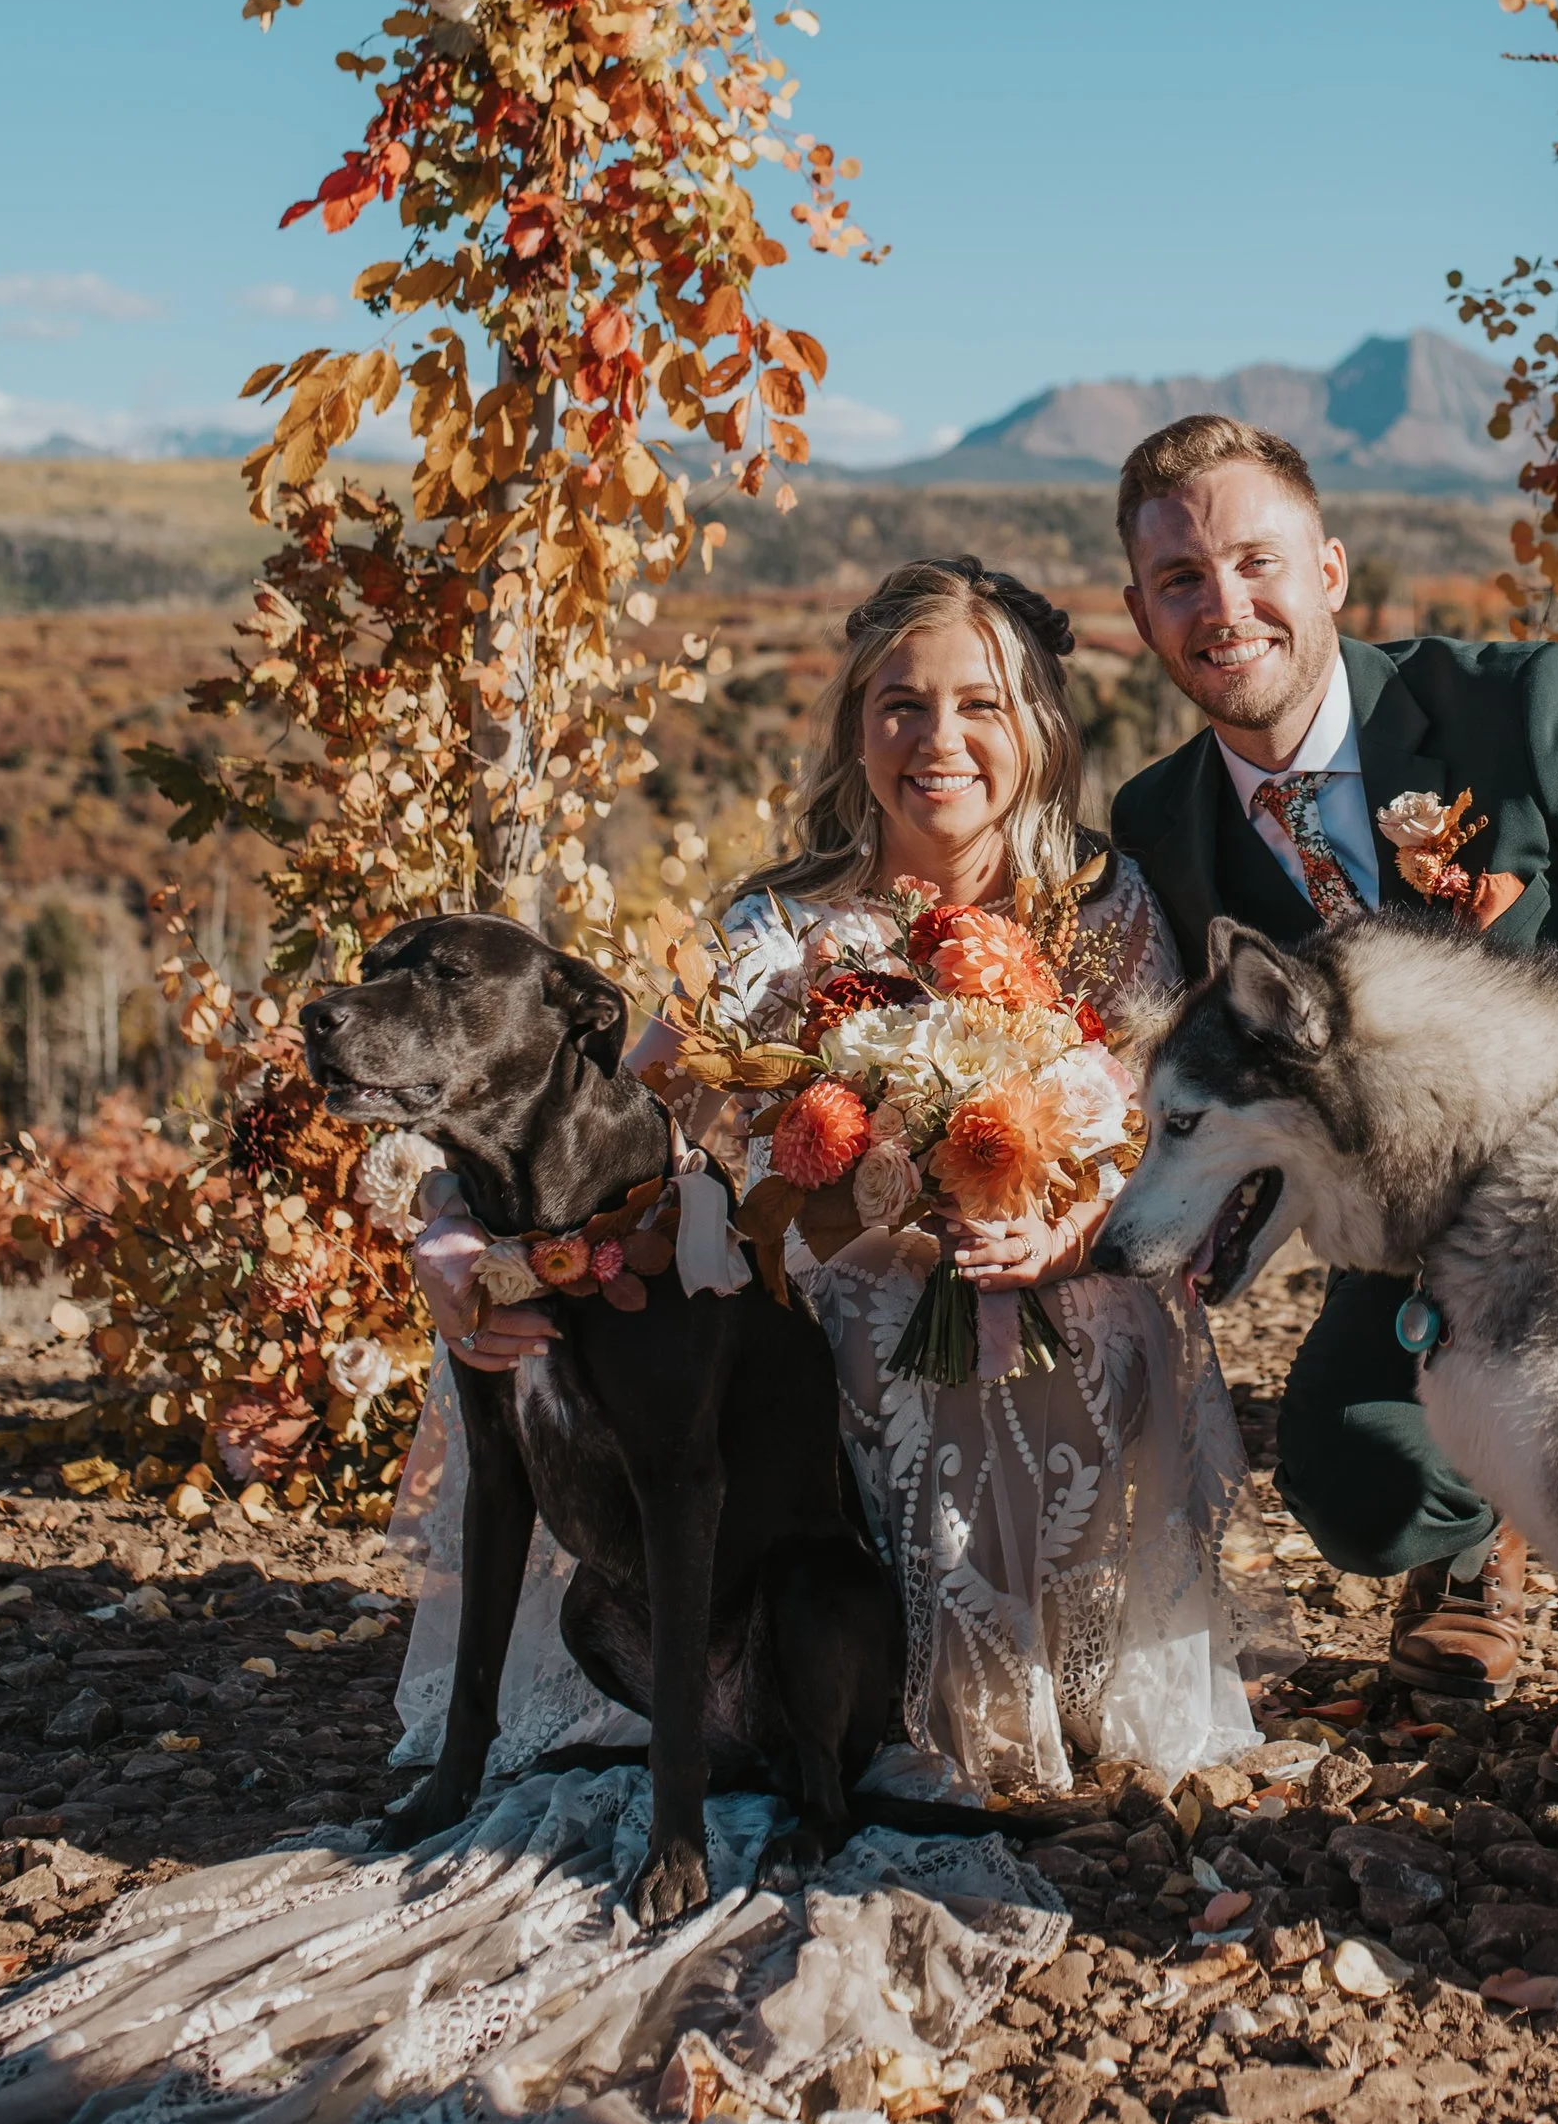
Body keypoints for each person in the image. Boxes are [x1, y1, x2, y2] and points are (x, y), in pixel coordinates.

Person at [394, 556, 1259, 1802]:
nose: (938, 739)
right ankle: (785, 1675)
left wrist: (1065, 1231)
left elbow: (1160, 1139)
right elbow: (607, 1114)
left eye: (981, 703)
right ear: (857, 727)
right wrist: (450, 1215)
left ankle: (987, 1685)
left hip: (1044, 1283)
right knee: (785, 1305)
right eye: (900, 702)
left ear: (1040, 726)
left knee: (973, 1324)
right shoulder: (774, 919)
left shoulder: (1098, 903)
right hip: (808, 1296)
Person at [1108, 412, 1558, 1780]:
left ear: (1328, 567)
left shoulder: (1519, 710)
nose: (1224, 606)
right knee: (1357, 1485)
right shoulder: (1161, 827)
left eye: (1254, 560)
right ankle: (1474, 1541)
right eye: (1180, 581)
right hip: (1424, 1239)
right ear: (1142, 613)